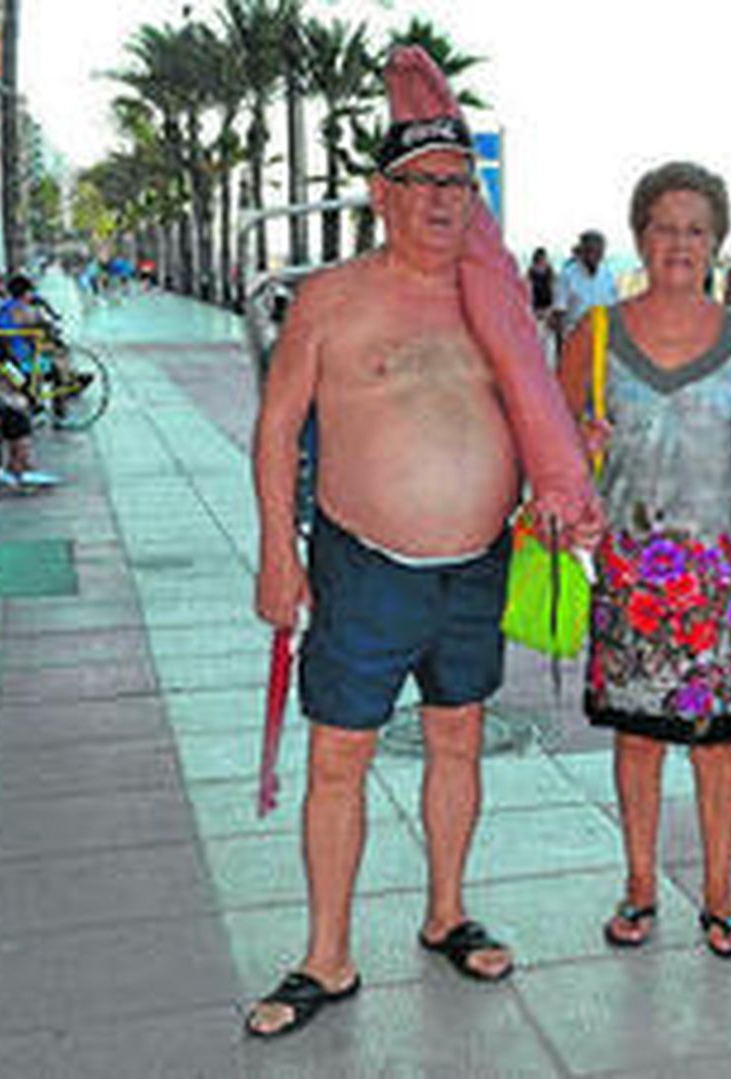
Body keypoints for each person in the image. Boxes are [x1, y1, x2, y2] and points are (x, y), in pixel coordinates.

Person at [245, 47, 598, 1039]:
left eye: (459, 183)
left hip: (476, 564)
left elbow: (533, 415)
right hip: (364, 565)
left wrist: (566, 467)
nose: (444, 200)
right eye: (424, 183)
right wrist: (278, 552)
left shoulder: (495, 298)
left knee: (457, 733)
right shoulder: (331, 298)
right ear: (381, 192)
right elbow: (277, 429)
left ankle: (446, 908)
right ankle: (327, 951)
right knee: (338, 759)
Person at [558, 161, 731, 959]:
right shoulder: (597, 331)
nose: (679, 242)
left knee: (720, 743)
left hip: (724, 574)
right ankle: (640, 886)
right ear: (639, 234)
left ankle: (720, 894)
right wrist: (580, 445)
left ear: (716, 239)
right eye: (664, 226)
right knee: (638, 740)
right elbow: (553, 439)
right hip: (631, 574)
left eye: (695, 228)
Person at [0, 318, 56, 489]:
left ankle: (14, 463)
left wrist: (0, 384)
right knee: (14, 412)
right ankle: (17, 466)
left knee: (19, 403)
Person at [552, 229, 618, 339]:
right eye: (590, 251)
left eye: (599, 252)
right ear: (582, 251)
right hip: (574, 337)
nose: (594, 256)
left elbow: (613, 307)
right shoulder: (567, 276)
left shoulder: (607, 275)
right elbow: (559, 312)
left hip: (600, 338)